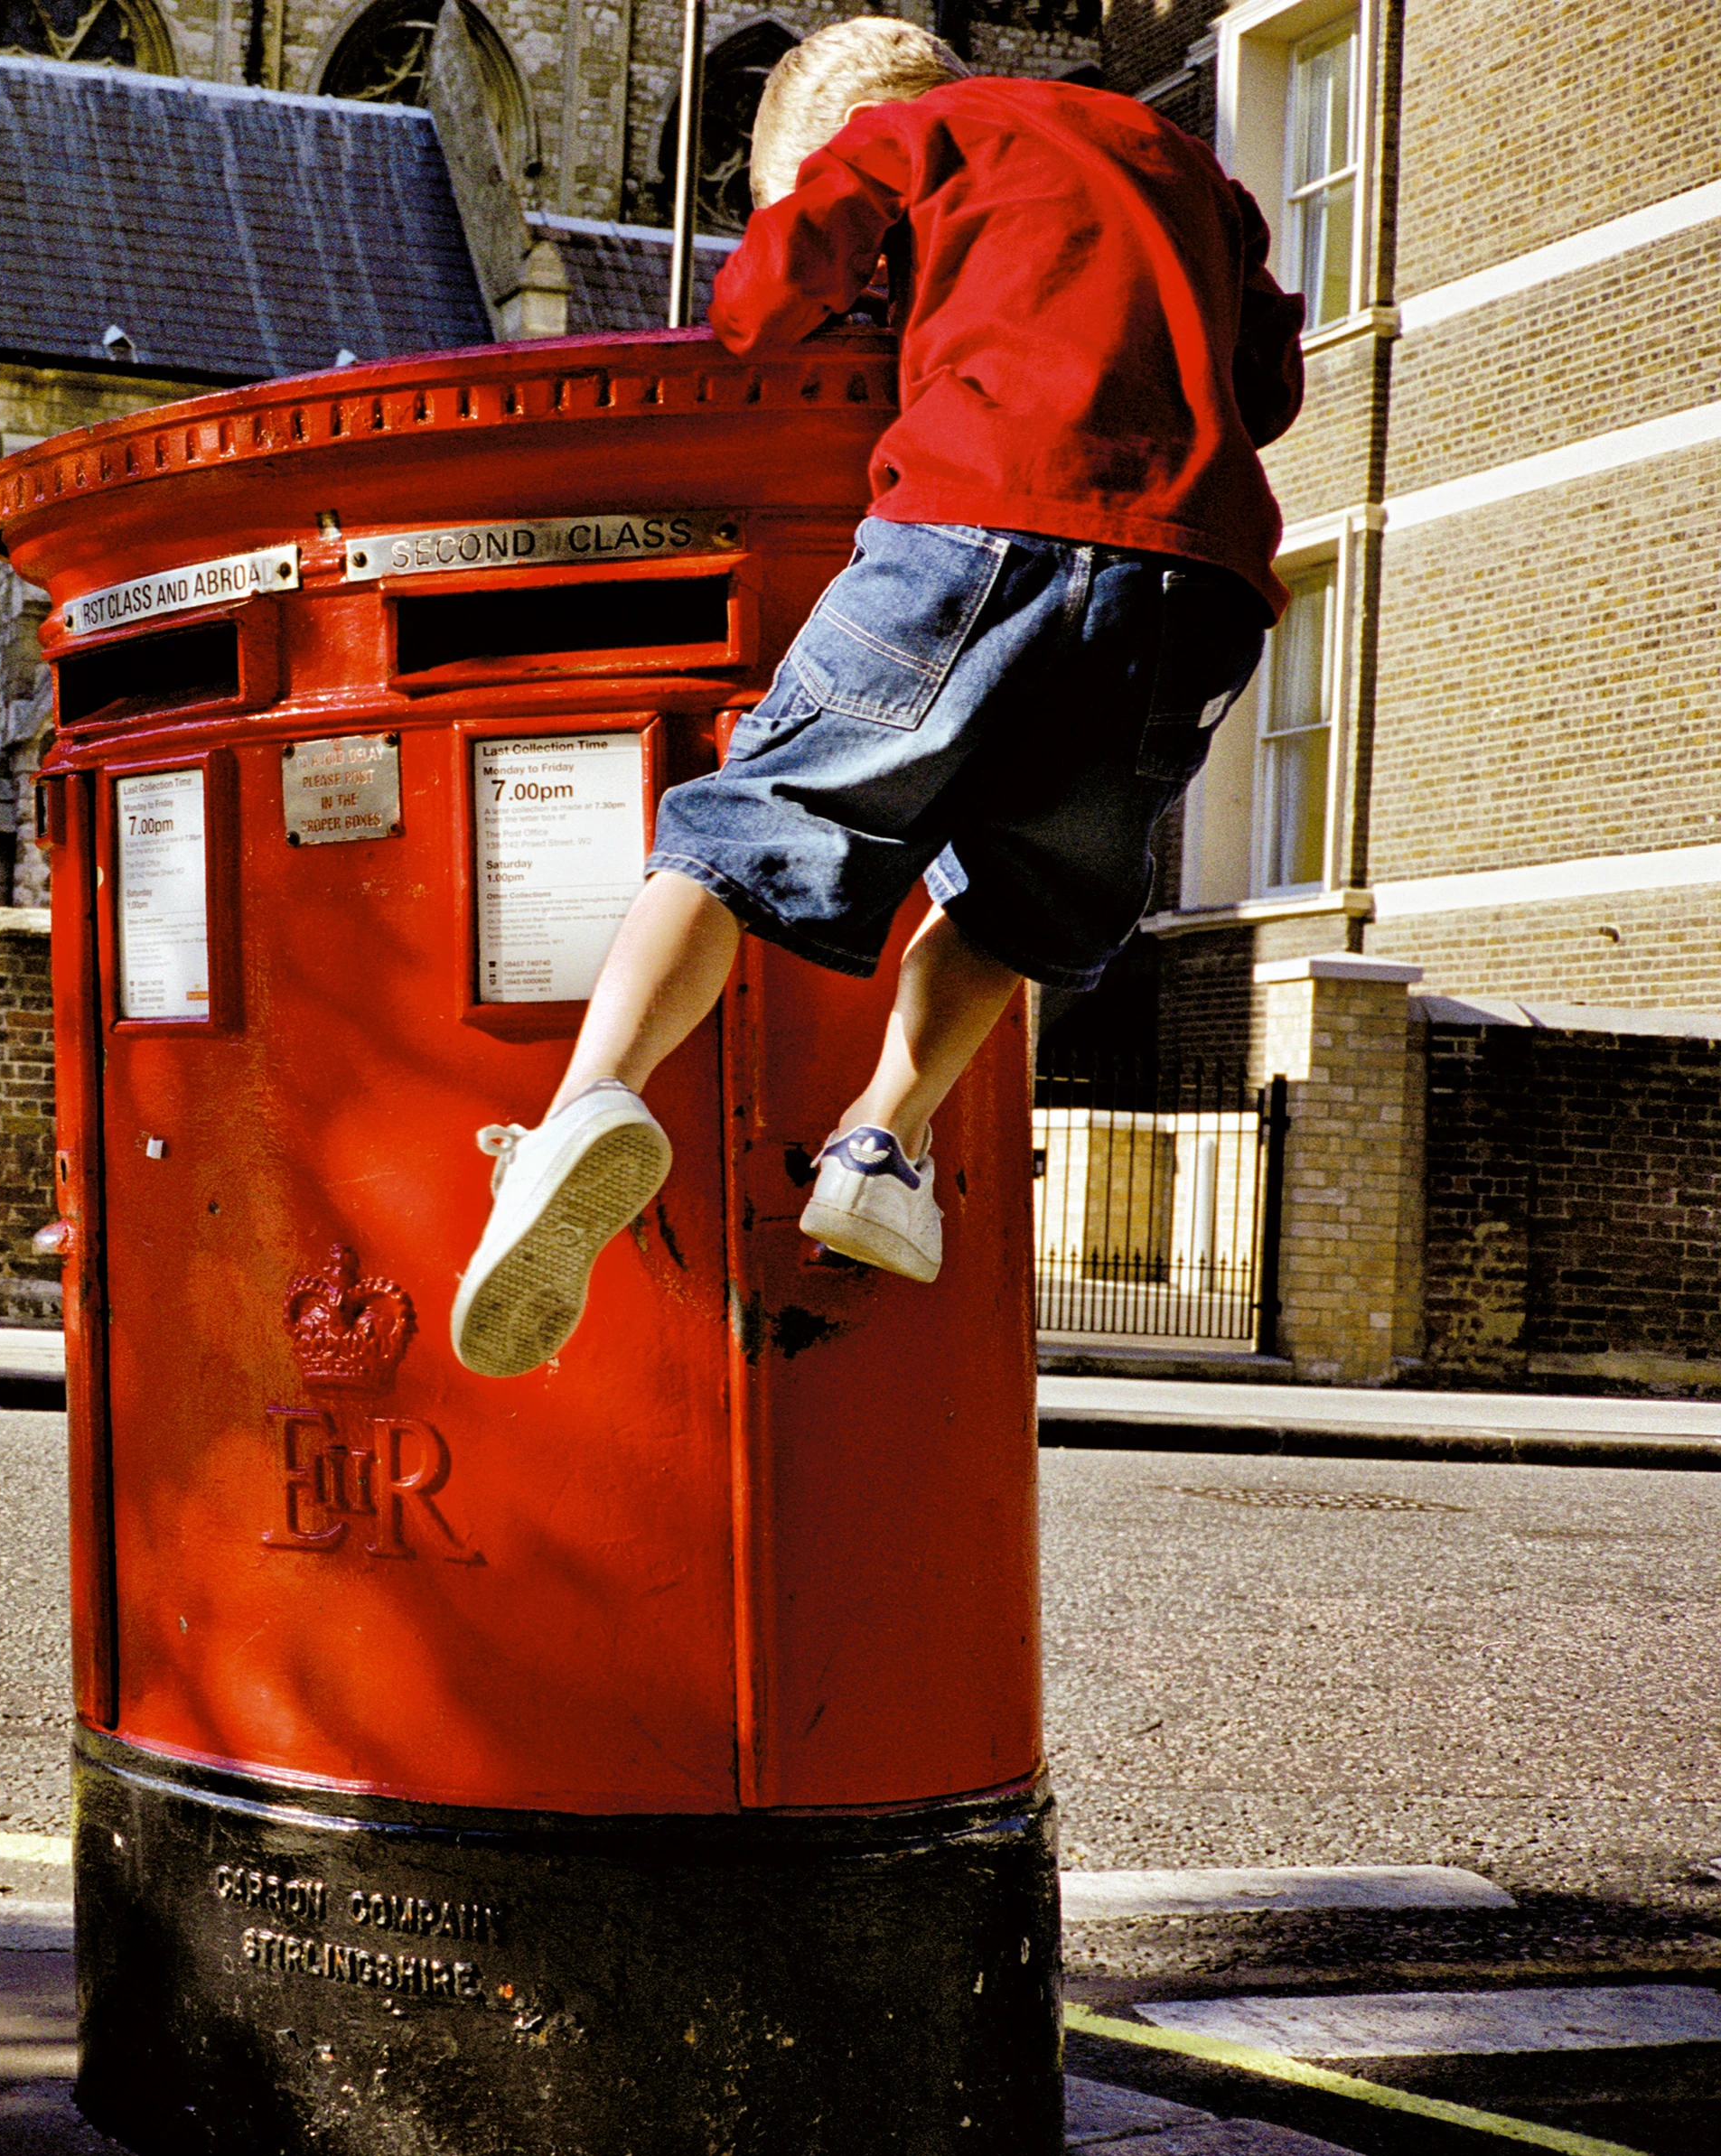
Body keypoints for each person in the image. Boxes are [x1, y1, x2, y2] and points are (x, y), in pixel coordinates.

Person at [449, 17, 1308, 1379]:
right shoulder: (1184, 163)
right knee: (1027, 902)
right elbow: (1268, 385)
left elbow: (771, 294)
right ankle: (880, 1144)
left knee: (743, 828)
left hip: (978, 522)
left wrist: (781, 309)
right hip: (1196, 582)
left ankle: (582, 1104)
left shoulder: (915, 131)